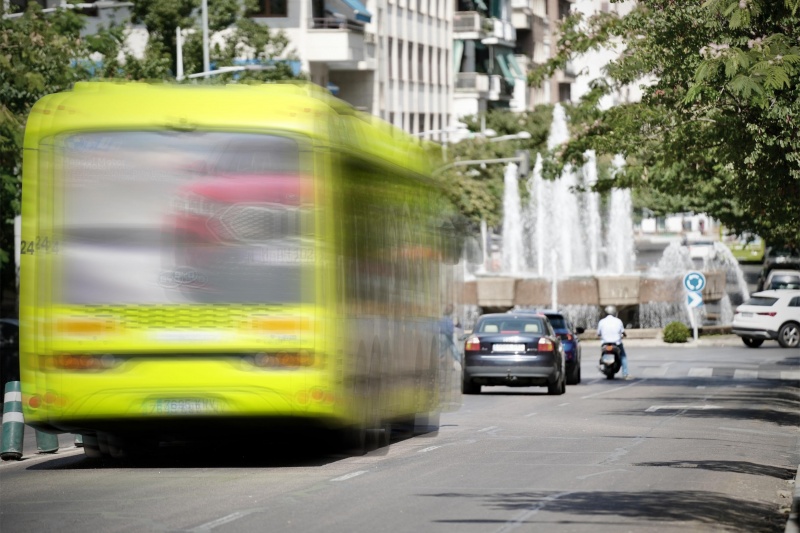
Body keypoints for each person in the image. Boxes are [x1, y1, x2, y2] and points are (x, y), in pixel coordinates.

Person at [597, 305, 631, 379]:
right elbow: (622, 332)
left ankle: (602, 364)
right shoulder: (618, 321)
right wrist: (624, 335)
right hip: (616, 343)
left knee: (601, 353)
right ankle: (625, 374)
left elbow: (598, 333)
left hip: (605, 343)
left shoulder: (601, 321)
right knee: (623, 356)